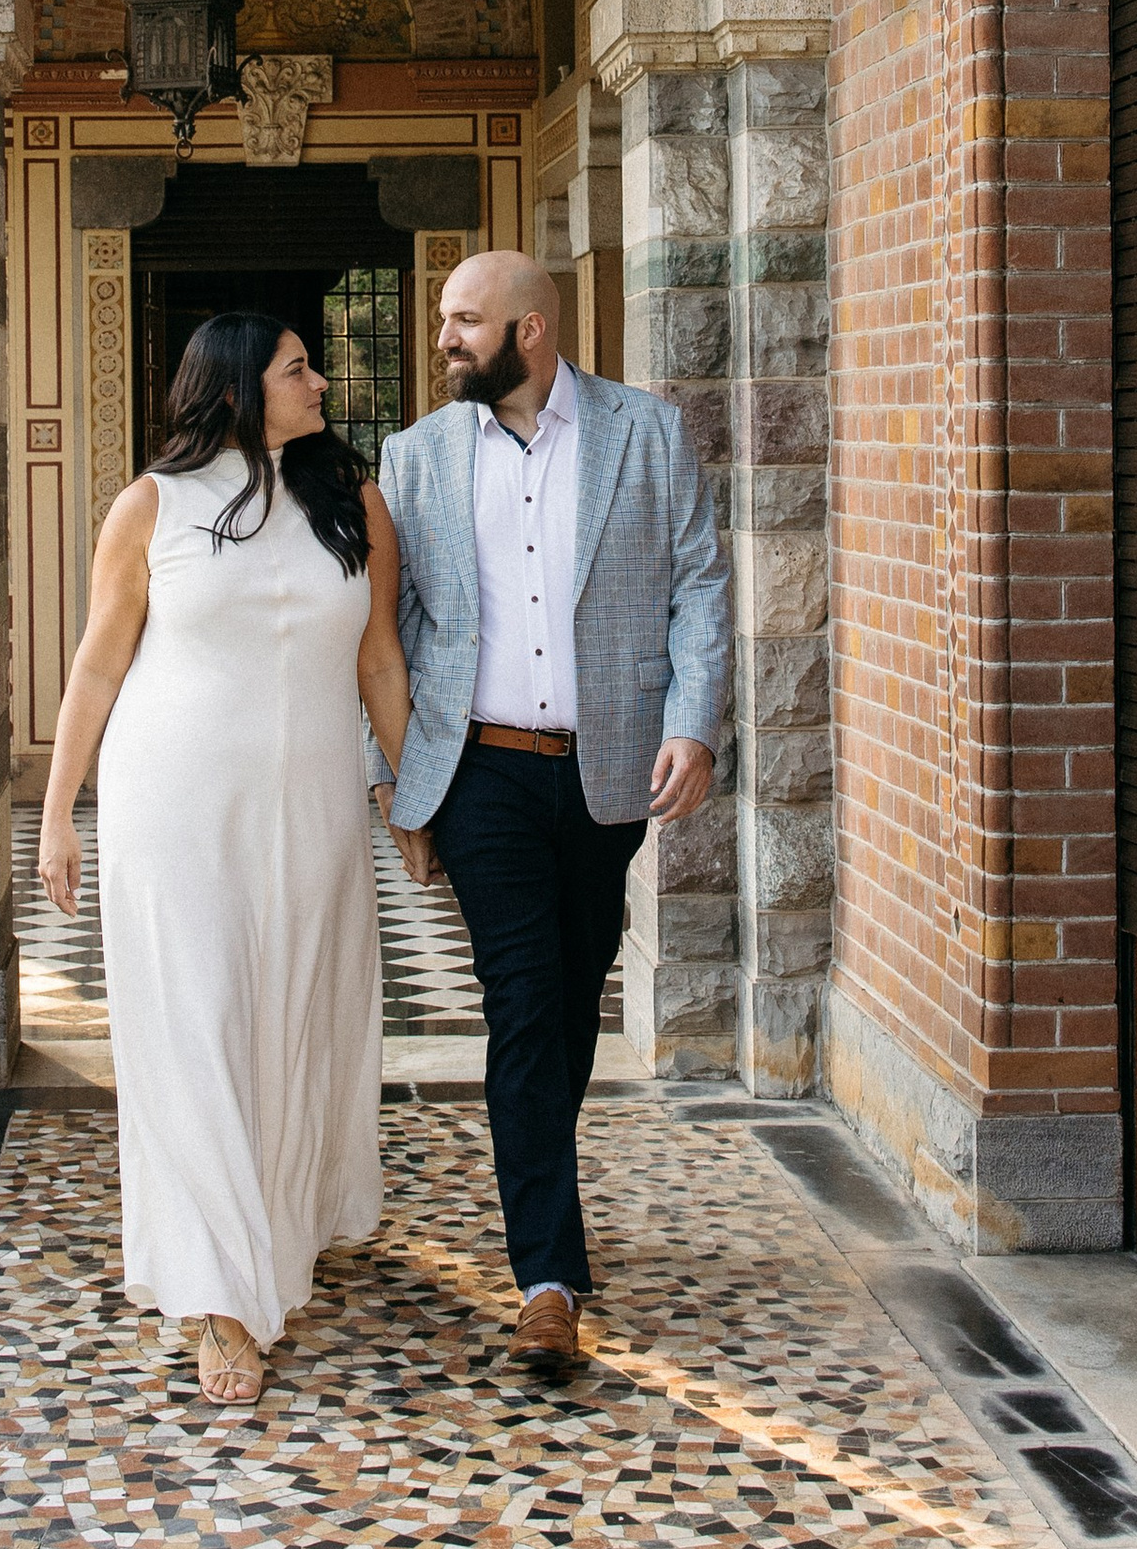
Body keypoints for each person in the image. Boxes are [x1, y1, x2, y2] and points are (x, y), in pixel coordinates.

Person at [36, 312, 413, 1409]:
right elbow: (98, 668)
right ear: (241, 388)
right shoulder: (149, 505)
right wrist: (61, 812)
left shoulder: (356, 504)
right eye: (300, 367)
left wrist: (420, 798)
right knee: (194, 1027)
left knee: (294, 1015)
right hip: (173, 807)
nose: (321, 380)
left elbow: (380, 659)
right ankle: (218, 1297)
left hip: (313, 811)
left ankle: (283, 1225)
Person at [379, 251, 730, 1370]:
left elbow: (699, 584)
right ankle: (545, 1275)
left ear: (530, 329)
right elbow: (387, 632)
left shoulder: (646, 431)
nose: (445, 340)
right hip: (477, 771)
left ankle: (547, 1204)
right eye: (443, 320)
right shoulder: (414, 457)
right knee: (525, 1001)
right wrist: (393, 781)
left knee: (574, 999)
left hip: (608, 767)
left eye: (464, 321)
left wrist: (695, 721)